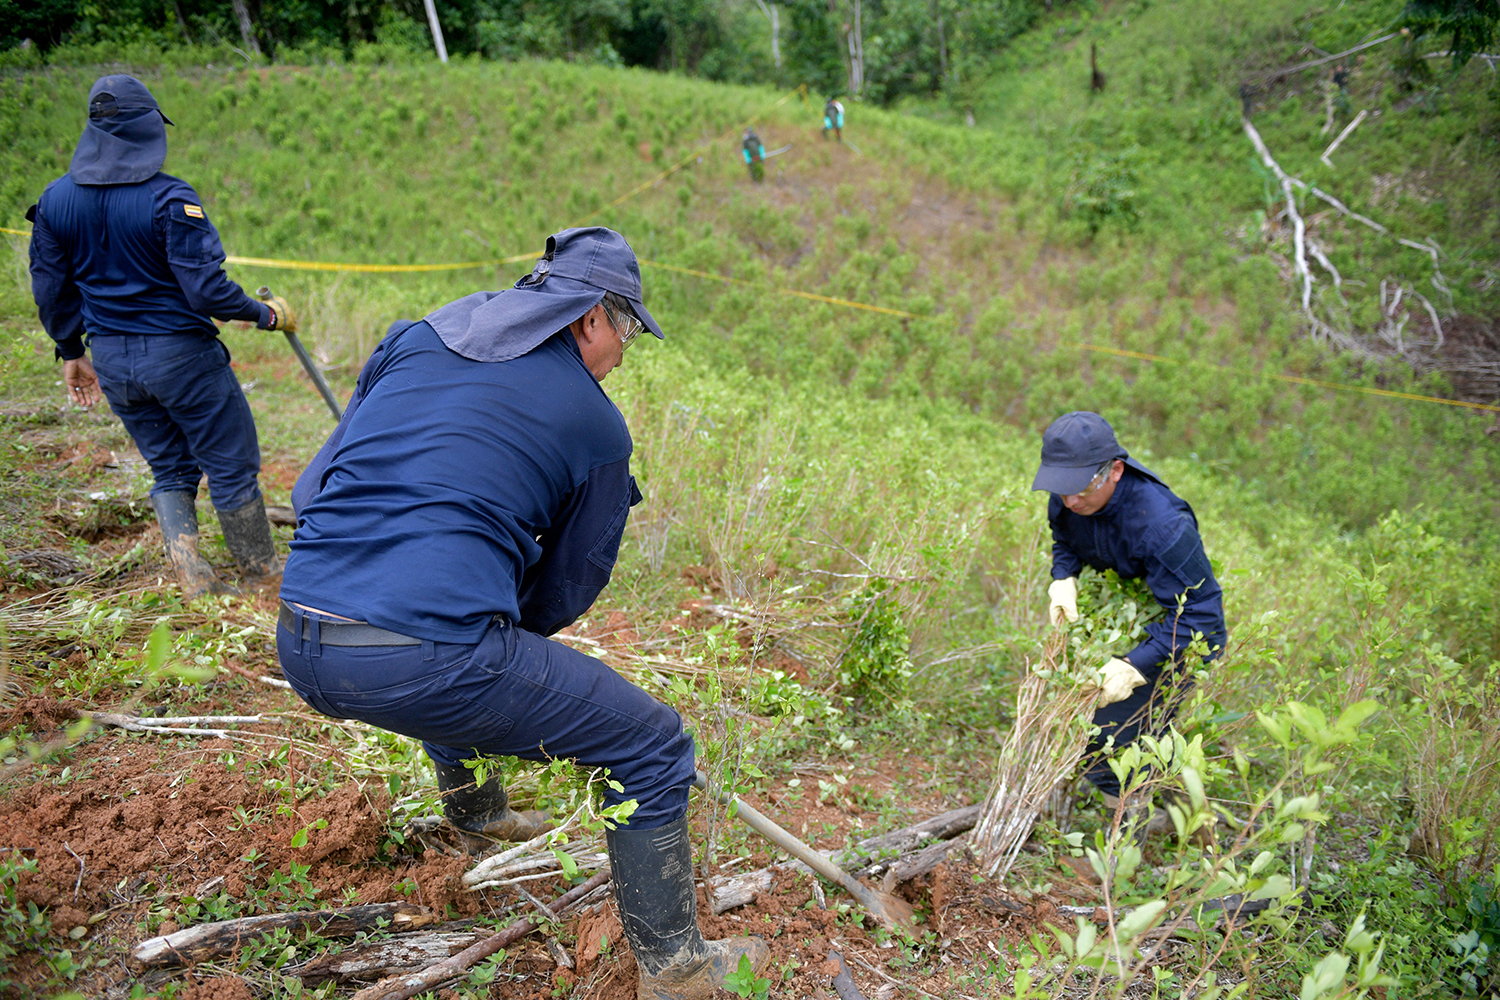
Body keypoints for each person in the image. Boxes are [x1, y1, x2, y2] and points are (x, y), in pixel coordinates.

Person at [278, 227, 769, 1000]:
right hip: (415, 657)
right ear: (588, 320)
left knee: (468, 643)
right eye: (629, 330)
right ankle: (681, 975)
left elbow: (312, 492)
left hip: (299, 633)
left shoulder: (417, 338)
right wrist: (494, 631)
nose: (624, 352)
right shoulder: (596, 424)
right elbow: (567, 587)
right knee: (650, 745)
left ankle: (476, 813)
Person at [28, 74, 296, 598]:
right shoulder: (170, 199)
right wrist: (264, 314)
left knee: (170, 467)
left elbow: (49, 290)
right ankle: (262, 577)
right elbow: (207, 292)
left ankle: (191, 575)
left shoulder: (54, 201)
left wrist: (70, 350)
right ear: (148, 129)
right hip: (182, 358)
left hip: (111, 359)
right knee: (229, 463)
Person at [1032, 411, 1226, 811]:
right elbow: (1064, 537)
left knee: (1105, 736)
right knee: (1074, 711)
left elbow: (1204, 618)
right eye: (1061, 488)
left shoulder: (1162, 526)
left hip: (1183, 632)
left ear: (1115, 470)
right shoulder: (1072, 490)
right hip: (1130, 615)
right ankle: (1152, 788)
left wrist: (1135, 664)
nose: (1069, 501)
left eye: (1080, 490)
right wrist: (1063, 576)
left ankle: (1146, 816)